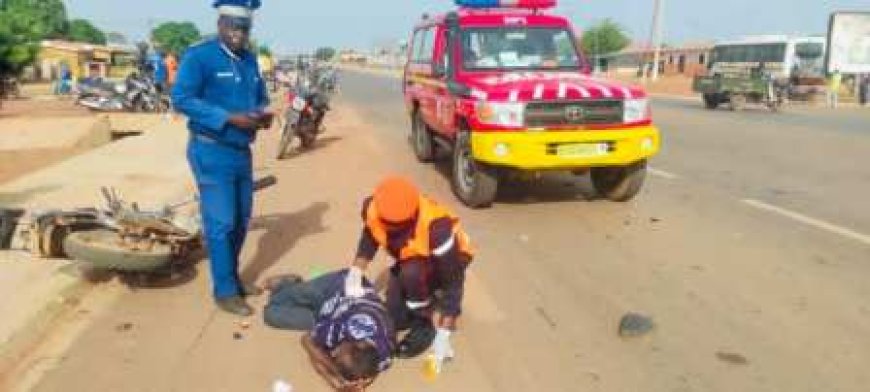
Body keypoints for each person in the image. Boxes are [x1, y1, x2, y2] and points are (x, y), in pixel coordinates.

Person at [171, 0, 273, 316]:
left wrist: (262, 114)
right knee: (221, 222)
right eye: (234, 28)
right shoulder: (200, 57)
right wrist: (228, 118)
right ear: (220, 26)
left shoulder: (250, 61)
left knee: (241, 221)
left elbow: (260, 98)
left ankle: (232, 278)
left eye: (245, 29)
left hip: (240, 152)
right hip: (209, 149)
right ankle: (225, 290)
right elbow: (181, 98)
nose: (239, 35)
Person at [345, 176, 474, 374]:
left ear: (411, 219)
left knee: (411, 275)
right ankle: (415, 307)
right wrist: (356, 270)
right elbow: (371, 234)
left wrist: (445, 328)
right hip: (411, 258)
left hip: (448, 260)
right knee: (393, 318)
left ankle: (425, 321)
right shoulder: (373, 207)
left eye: (396, 227)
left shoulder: (436, 228)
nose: (389, 230)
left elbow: (454, 280)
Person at [264, 270, 395, 391]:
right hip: (337, 287)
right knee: (277, 301)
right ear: (358, 343)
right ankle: (290, 283)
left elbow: (317, 356)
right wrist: (335, 371)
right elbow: (307, 340)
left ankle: (300, 298)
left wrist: (337, 385)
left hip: (327, 316)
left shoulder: (382, 359)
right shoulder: (344, 328)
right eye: (339, 354)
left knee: (271, 315)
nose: (333, 354)